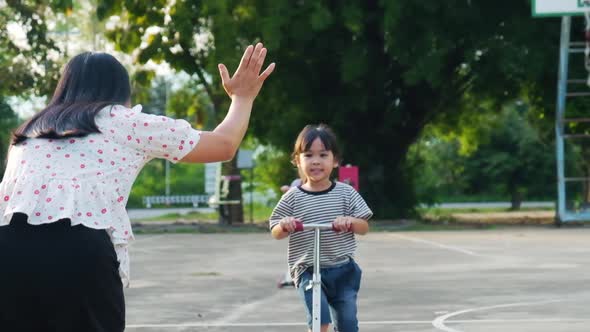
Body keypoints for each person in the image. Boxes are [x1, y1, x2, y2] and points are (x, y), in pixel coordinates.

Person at [0, 43, 274, 332]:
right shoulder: (124, 121)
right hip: (78, 250)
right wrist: (242, 98)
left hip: (9, 249)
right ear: (121, 93)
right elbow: (224, 145)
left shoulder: (31, 130)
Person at [269, 124, 372, 332]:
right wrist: (285, 225)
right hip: (307, 269)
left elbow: (364, 227)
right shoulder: (292, 196)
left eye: (323, 155)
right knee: (320, 321)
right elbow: (275, 230)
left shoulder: (346, 193)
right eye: (308, 155)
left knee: (348, 325)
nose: (316, 161)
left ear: (334, 161)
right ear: (298, 161)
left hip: (342, 269)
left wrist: (349, 221)